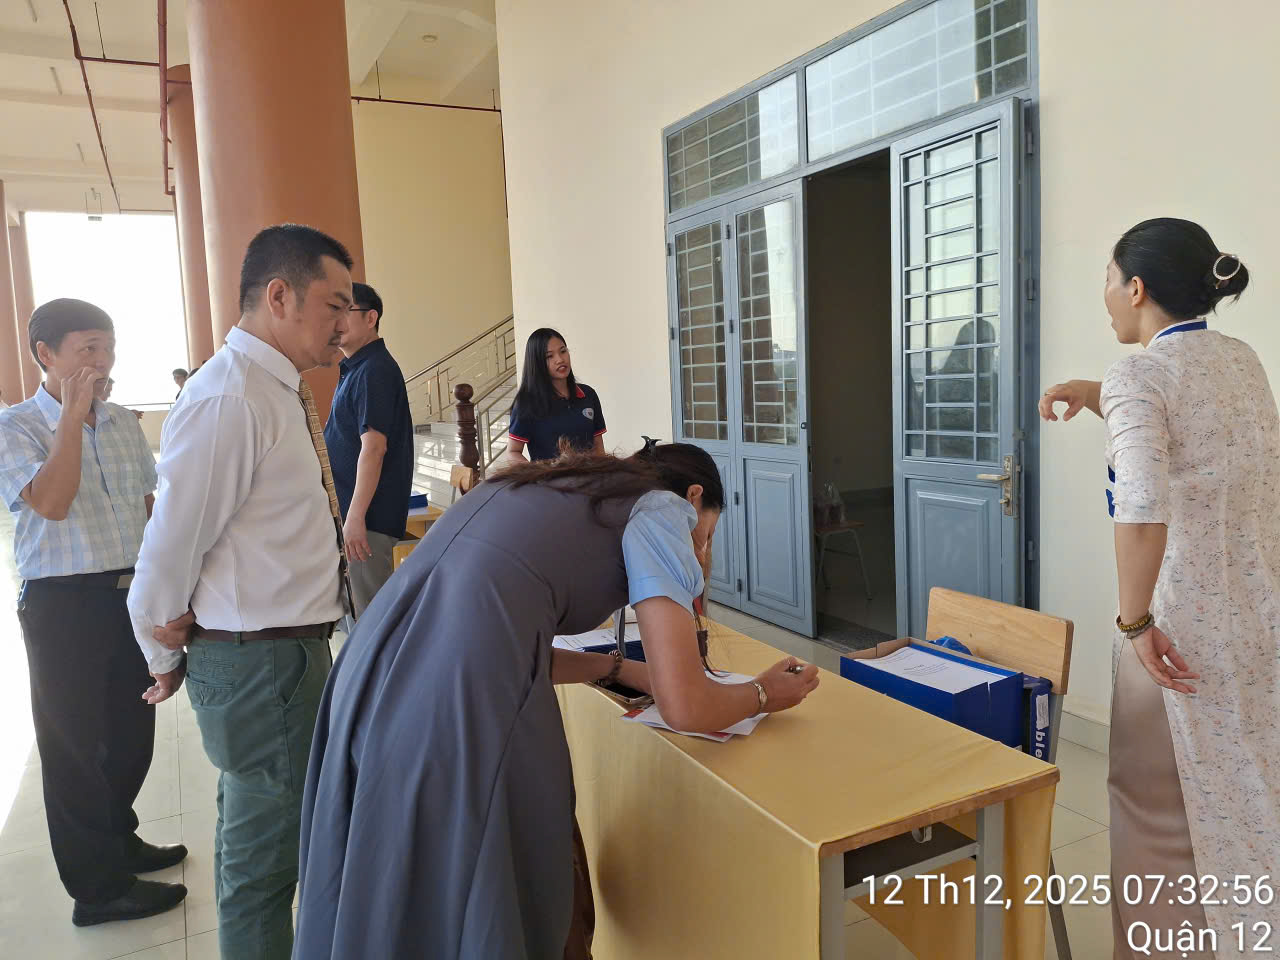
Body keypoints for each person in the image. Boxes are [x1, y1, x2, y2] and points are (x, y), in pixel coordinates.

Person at [293, 441, 820, 959]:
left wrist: (618, 669)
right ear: (694, 497)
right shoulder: (663, 510)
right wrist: (762, 693)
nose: (700, 552)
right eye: (706, 535)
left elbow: (501, 643)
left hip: (372, 677)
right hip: (450, 709)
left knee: (399, 897)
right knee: (492, 892)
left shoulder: (540, 487)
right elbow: (686, 708)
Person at [1040, 218, 1278, 956]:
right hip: (1256, 628)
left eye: (1109, 281)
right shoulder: (1240, 361)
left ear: (1136, 288)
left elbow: (1142, 509)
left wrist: (1135, 623)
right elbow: (1194, 429)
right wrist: (1093, 392)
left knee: (1157, 826)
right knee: (1246, 810)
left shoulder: (1139, 374)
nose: (1107, 296)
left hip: (1173, 642)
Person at [126, 223, 356, 960]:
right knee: (263, 870)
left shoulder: (273, 389)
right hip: (262, 664)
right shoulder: (230, 397)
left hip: (281, 655)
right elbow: (170, 545)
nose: (345, 323)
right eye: (335, 304)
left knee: (263, 847)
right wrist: (162, 652)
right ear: (280, 296)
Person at [0, 299, 187, 927]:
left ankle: (118, 840)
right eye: (87, 349)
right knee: (74, 748)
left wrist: (170, 594)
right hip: (63, 605)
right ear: (45, 354)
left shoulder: (124, 423)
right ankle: (97, 891)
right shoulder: (15, 426)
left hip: (128, 595)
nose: (103, 362)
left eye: (108, 348)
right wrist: (70, 419)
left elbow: (149, 510)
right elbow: (52, 502)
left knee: (130, 734)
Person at [322, 281, 413, 631]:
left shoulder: (375, 369)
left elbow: (374, 448)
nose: (337, 321)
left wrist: (356, 516)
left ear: (371, 318)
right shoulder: (357, 368)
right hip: (355, 518)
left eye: (346, 311)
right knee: (358, 625)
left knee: (372, 628)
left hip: (366, 522)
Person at [501, 327, 606, 466]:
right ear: (537, 363)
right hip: (548, 479)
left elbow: (598, 448)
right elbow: (513, 452)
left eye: (563, 351)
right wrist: (536, 473)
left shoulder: (588, 395)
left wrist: (602, 472)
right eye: (549, 356)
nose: (560, 359)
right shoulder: (527, 403)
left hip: (588, 477)